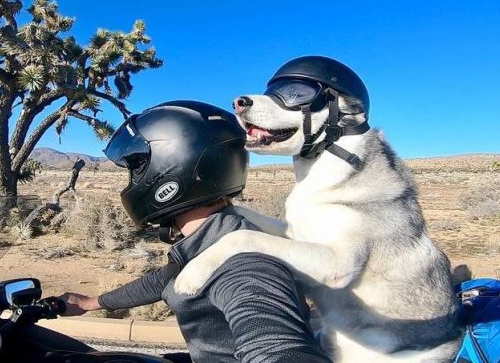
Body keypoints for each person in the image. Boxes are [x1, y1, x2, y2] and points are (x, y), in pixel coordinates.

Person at [59, 100, 331, 363]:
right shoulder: (207, 241)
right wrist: (92, 302)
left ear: (171, 168)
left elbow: (276, 343)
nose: (132, 181)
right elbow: (164, 281)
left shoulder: (244, 262)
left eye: (135, 171)